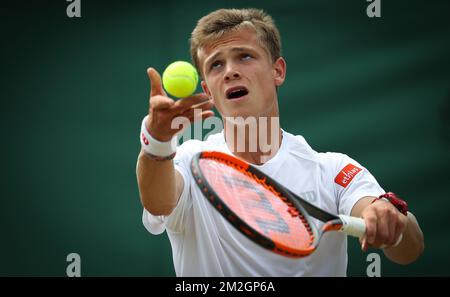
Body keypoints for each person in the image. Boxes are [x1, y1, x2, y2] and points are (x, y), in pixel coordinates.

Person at [136, 8, 424, 276]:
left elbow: (408, 250)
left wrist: (391, 220)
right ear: (207, 90)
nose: (230, 71)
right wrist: (158, 142)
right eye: (216, 65)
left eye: (245, 56)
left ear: (278, 71)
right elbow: (159, 202)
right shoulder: (189, 160)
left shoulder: (333, 170)